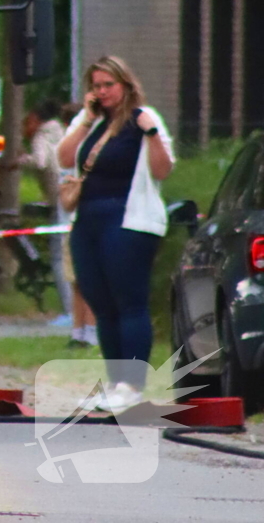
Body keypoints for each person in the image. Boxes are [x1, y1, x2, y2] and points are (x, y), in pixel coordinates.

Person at [56, 56, 174, 411]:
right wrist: (87, 120)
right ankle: (115, 383)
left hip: (128, 221)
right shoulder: (88, 121)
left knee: (128, 301)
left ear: (125, 84)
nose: (103, 92)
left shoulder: (143, 119)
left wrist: (151, 132)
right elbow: (63, 158)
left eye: (109, 85)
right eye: (97, 86)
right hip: (88, 219)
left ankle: (132, 385)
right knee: (100, 302)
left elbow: (162, 169)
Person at [15, 100, 73, 327]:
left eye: (27, 122)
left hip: (60, 198)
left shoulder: (40, 136)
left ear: (36, 120)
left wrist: (21, 160)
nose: (25, 128)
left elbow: (40, 162)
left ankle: (69, 312)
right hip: (72, 194)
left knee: (59, 257)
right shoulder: (62, 131)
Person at [58, 103, 98, 349]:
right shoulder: (75, 136)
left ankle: (92, 332)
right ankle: (78, 332)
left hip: (92, 219)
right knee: (76, 280)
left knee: (90, 280)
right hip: (73, 221)